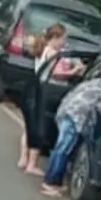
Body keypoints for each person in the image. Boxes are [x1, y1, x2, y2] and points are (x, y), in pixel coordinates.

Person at [40, 68, 101, 197]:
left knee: (60, 148)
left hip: (66, 113)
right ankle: (50, 183)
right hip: (75, 118)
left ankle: (54, 181)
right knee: (63, 150)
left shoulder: (86, 84)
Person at [17, 24, 69, 176]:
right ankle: (32, 165)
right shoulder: (52, 52)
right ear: (55, 38)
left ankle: (23, 159)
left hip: (33, 87)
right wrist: (75, 70)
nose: (64, 42)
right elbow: (57, 74)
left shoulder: (41, 49)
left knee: (28, 128)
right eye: (63, 39)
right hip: (44, 91)